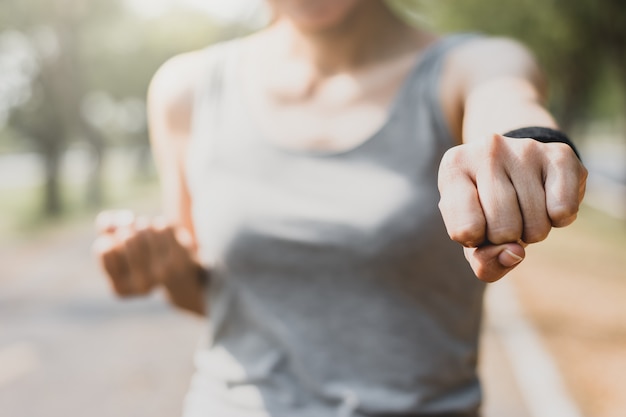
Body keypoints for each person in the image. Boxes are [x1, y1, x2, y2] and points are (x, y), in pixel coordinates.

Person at [93, 1, 587, 416]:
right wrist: (158, 265)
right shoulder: (187, 90)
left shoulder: (471, 65)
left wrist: (527, 143)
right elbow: (212, 295)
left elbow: (507, 100)